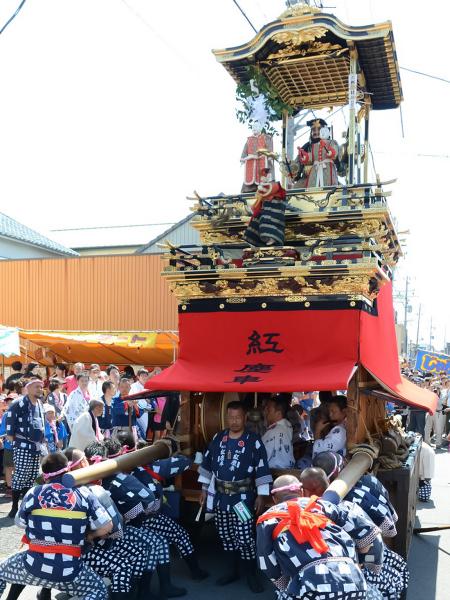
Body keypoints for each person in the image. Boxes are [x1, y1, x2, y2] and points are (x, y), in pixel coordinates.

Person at [0, 452, 111, 600]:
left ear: (45, 474)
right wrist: (88, 535)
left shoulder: (34, 493)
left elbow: (19, 523)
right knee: (99, 591)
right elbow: (107, 526)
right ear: (68, 469)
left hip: (33, 566)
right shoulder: (84, 494)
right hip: (70, 571)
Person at [88, 439, 187, 598]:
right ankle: (137, 591)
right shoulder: (108, 482)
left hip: (114, 530)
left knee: (155, 543)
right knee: (130, 559)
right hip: (97, 540)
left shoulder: (121, 475)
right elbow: (146, 503)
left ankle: (145, 590)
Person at [257, 473, 376, 600]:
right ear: (302, 492)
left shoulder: (268, 520)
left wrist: (284, 584)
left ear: (274, 499)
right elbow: (367, 531)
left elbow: (266, 561)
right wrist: (360, 563)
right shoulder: (321, 505)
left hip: (310, 586)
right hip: (354, 581)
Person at [63, 447, 157, 600]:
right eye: (84, 460)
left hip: (93, 542)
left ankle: (138, 593)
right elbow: (108, 527)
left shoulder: (88, 488)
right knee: (122, 566)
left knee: (142, 550)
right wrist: (91, 535)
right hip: (78, 551)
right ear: (80, 466)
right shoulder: (85, 491)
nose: (88, 463)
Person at [198, 400, 272, 592]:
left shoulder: (253, 440)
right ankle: (232, 571)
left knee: (245, 536)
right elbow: (207, 464)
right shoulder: (218, 437)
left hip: (243, 500)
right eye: (230, 417)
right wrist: (204, 489)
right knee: (225, 534)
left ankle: (251, 575)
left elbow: (262, 467)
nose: (234, 421)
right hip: (222, 498)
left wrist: (262, 496)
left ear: (245, 417)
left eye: (238, 417)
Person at [312, 452, 408, 600]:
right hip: (351, 568)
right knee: (396, 577)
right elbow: (388, 530)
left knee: (397, 569)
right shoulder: (358, 493)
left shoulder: (307, 504)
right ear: (339, 471)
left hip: (324, 572)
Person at [115, 430, 208, 581]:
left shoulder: (111, 471)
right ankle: (193, 573)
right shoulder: (149, 467)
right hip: (145, 518)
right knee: (179, 535)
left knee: (159, 544)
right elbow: (182, 463)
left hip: (124, 522)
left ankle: (160, 585)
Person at [5, 379, 46, 518]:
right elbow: (9, 422)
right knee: (20, 476)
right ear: (27, 389)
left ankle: (25, 506)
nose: (40, 389)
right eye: (37, 387)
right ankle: (14, 507)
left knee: (31, 477)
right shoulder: (18, 403)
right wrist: (13, 441)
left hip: (36, 446)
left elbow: (42, 423)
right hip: (22, 445)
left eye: (41, 387)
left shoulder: (40, 403)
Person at [297, 118, 339, 188]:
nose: (316, 132)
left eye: (319, 129)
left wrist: (332, 153)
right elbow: (297, 163)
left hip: (329, 173)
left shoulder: (332, 143)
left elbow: (338, 158)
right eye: (313, 130)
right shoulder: (306, 147)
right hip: (307, 179)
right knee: (295, 190)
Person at [262, 395, 295, 468]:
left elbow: (262, 456)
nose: (265, 412)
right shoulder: (286, 426)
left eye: (268, 410)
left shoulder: (275, 430)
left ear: (278, 413)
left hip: (275, 473)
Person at [240, 122, 275, 193]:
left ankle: (264, 187)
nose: (254, 128)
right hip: (251, 162)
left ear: (260, 128)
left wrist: (270, 157)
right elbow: (245, 150)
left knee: (263, 175)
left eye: (256, 126)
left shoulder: (266, 137)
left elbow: (270, 149)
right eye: (253, 127)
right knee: (250, 177)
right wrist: (243, 158)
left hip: (262, 160)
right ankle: (249, 189)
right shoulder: (249, 139)